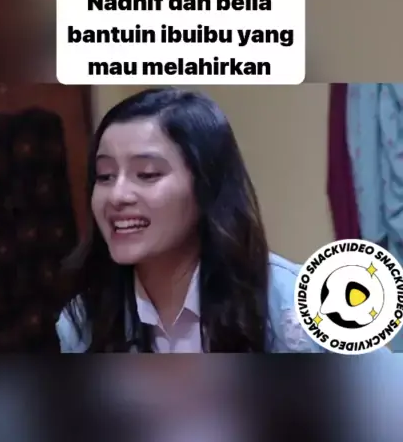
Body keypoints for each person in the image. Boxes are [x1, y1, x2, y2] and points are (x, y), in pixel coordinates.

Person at [55, 87, 388, 353]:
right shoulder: (82, 321)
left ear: (206, 184)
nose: (117, 196)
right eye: (105, 176)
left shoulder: (304, 304)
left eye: (147, 173)